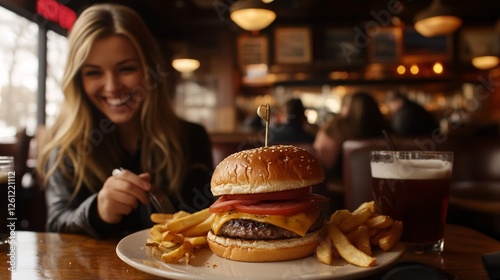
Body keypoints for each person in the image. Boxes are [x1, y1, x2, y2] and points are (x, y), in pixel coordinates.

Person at [36, 4, 214, 239]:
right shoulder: (65, 147)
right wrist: (97, 210)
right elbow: (56, 225)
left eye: (126, 69)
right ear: (78, 80)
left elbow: (206, 219)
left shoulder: (192, 137)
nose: (112, 87)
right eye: (93, 73)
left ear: (149, 70)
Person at [313, 92, 390, 180]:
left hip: (340, 188)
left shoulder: (335, 127)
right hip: (386, 186)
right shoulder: (387, 130)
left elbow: (322, 162)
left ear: (348, 107)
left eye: (345, 104)